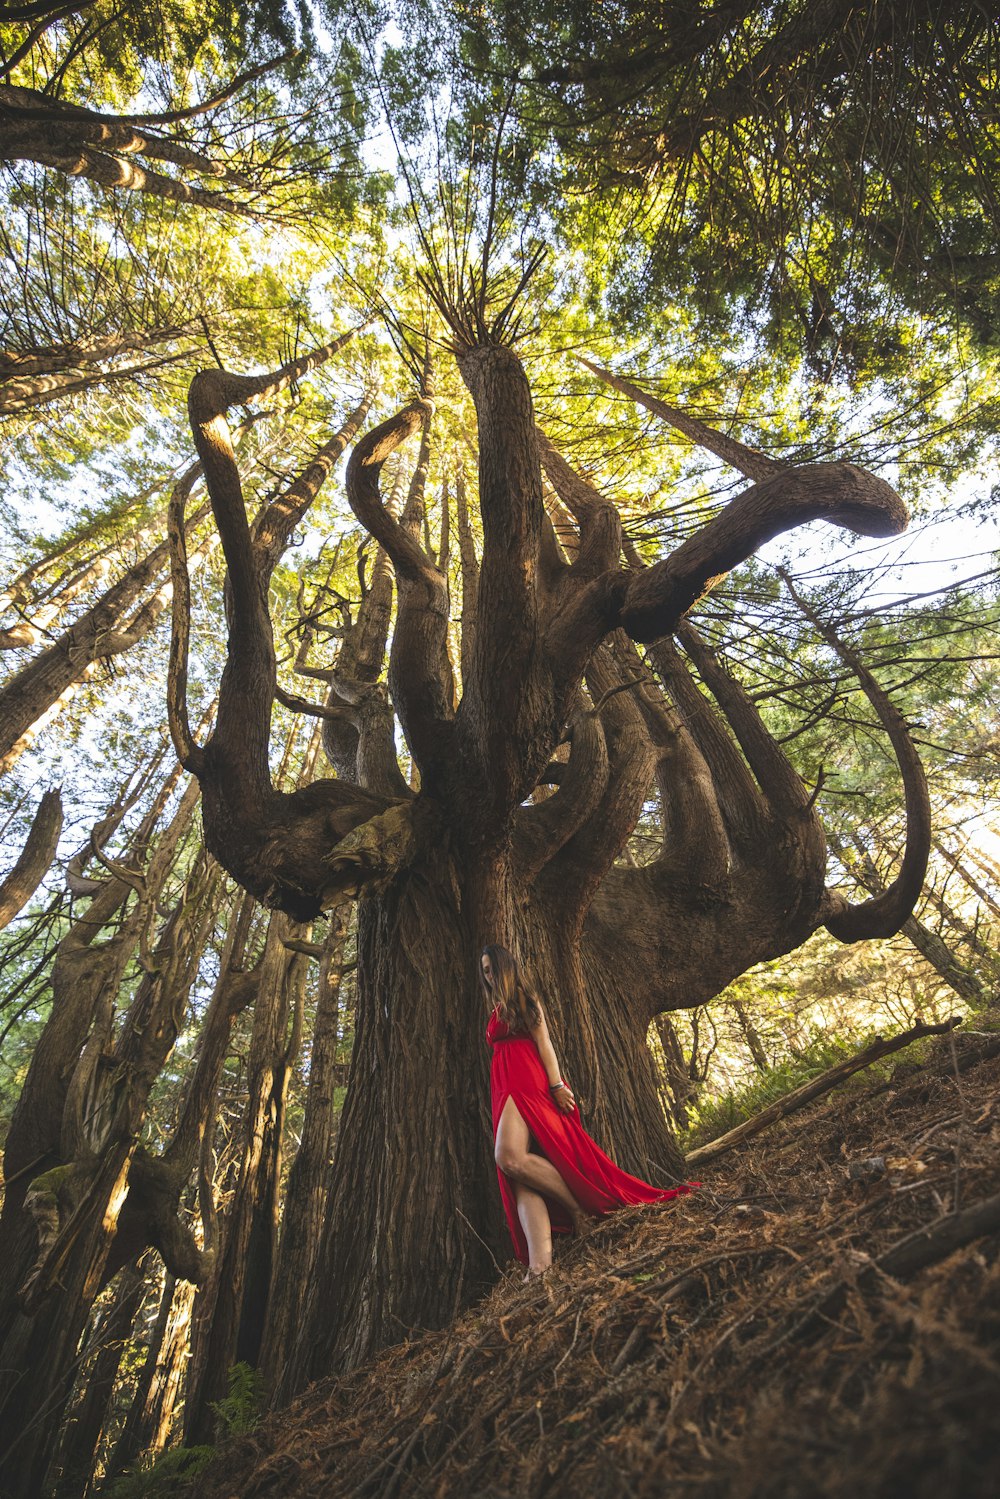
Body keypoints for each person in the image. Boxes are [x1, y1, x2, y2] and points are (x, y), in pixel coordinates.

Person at [482, 943, 697, 1279]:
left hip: (524, 1084)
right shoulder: (496, 1008)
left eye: (491, 968)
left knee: (508, 1157)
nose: (489, 975)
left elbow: (545, 1044)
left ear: (505, 967)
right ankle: (540, 1267)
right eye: (484, 971)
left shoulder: (525, 1000)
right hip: (503, 1087)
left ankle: (577, 1209)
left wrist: (556, 1086)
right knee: (518, 1173)